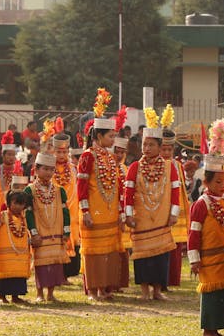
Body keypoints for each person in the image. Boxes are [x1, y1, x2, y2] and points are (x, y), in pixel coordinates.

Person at [188, 119, 224, 336]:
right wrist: (194, 259)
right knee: (210, 293)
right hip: (208, 259)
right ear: (206, 182)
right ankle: (208, 331)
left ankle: (217, 329)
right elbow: (194, 233)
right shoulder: (202, 203)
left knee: (223, 293)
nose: (223, 185)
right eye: (218, 181)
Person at [124, 110, 180, 301]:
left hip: (162, 216)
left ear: (159, 147)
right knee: (142, 257)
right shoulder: (135, 167)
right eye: (144, 144)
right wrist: (128, 215)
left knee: (160, 256)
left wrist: (174, 213)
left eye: (151, 145)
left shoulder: (169, 166)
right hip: (141, 218)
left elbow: (175, 191)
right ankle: (144, 291)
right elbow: (128, 193)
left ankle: (157, 290)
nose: (146, 148)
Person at [77, 109, 125, 301]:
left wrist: (121, 212)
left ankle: (106, 287)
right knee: (94, 253)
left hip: (110, 211)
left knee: (109, 252)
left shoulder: (111, 158)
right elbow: (81, 186)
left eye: (114, 136)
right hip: (93, 212)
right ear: (99, 136)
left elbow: (118, 187)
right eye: (111, 136)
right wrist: (85, 211)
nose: (113, 140)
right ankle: (94, 290)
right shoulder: (87, 156)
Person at [24, 153, 71, 302]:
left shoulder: (59, 190)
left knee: (55, 263)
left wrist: (66, 230)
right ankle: (39, 294)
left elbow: (65, 211)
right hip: (40, 232)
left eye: (52, 169)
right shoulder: (29, 190)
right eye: (45, 169)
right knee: (40, 263)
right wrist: (33, 233)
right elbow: (29, 214)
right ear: (36, 169)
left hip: (56, 231)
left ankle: (51, 294)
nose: (49, 172)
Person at [0, 190, 32, 304]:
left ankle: (16, 297)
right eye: (15, 203)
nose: (18, 206)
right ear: (9, 203)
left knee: (19, 275)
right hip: (5, 255)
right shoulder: (3, 215)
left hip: (21, 254)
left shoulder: (24, 217)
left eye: (21, 204)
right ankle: (3, 296)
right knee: (5, 274)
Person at [161, 110, 189, 289]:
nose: (166, 152)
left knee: (176, 247)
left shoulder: (178, 165)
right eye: (163, 149)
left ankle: (173, 280)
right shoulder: (156, 164)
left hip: (177, 211)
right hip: (161, 210)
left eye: (169, 149)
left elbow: (184, 190)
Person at [51, 132, 81, 280]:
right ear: (53, 151)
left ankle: (67, 275)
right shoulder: (48, 168)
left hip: (73, 212)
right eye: (58, 152)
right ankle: (58, 275)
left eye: (64, 152)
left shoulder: (74, 168)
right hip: (54, 211)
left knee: (72, 239)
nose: (61, 155)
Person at [113, 136, 131, 290]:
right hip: (111, 213)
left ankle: (120, 282)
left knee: (123, 247)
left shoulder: (125, 169)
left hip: (123, 212)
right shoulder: (108, 168)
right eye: (116, 152)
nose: (119, 155)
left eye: (122, 152)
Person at [0, 131, 19, 204]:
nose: (11, 157)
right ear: (3, 156)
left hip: (14, 205)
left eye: (13, 155)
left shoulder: (19, 170)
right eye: (9, 154)